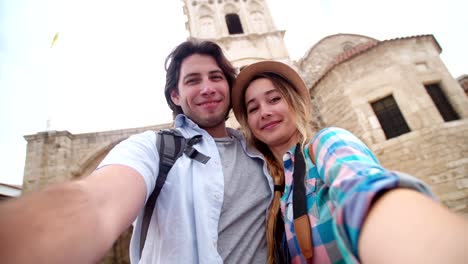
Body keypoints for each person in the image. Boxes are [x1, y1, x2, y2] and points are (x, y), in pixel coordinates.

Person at [0, 40, 273, 264]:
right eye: (192, 80)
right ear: (175, 96)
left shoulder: (263, 152)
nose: (207, 88)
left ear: (230, 86)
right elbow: (98, 202)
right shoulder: (153, 148)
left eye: (216, 77)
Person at [231, 60, 468, 264]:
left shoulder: (326, 143)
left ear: (295, 103)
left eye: (274, 99)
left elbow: (363, 187)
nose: (264, 112)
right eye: (253, 108)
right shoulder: (277, 191)